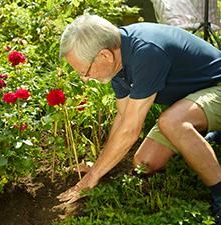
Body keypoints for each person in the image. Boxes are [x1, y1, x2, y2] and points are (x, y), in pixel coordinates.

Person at [57, 14, 221, 223]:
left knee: (172, 122)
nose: (85, 79)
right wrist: (98, 166)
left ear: (105, 56)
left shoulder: (146, 52)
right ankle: (210, 130)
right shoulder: (118, 61)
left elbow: (131, 130)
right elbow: (124, 117)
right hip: (191, 101)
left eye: (85, 72)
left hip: (217, 88)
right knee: (145, 162)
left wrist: (91, 179)